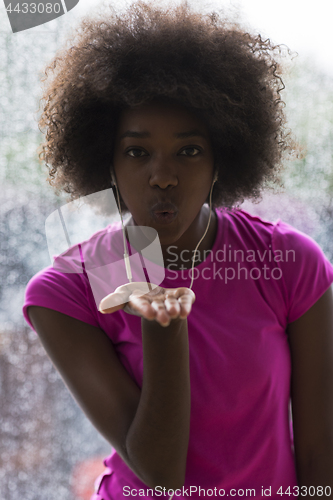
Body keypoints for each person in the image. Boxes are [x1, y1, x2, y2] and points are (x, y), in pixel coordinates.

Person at [23, 1, 333, 499]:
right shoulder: (68, 290)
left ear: (221, 161)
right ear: (107, 162)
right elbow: (161, 473)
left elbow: (321, 453)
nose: (162, 176)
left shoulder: (289, 263)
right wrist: (162, 326)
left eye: (188, 151)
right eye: (137, 152)